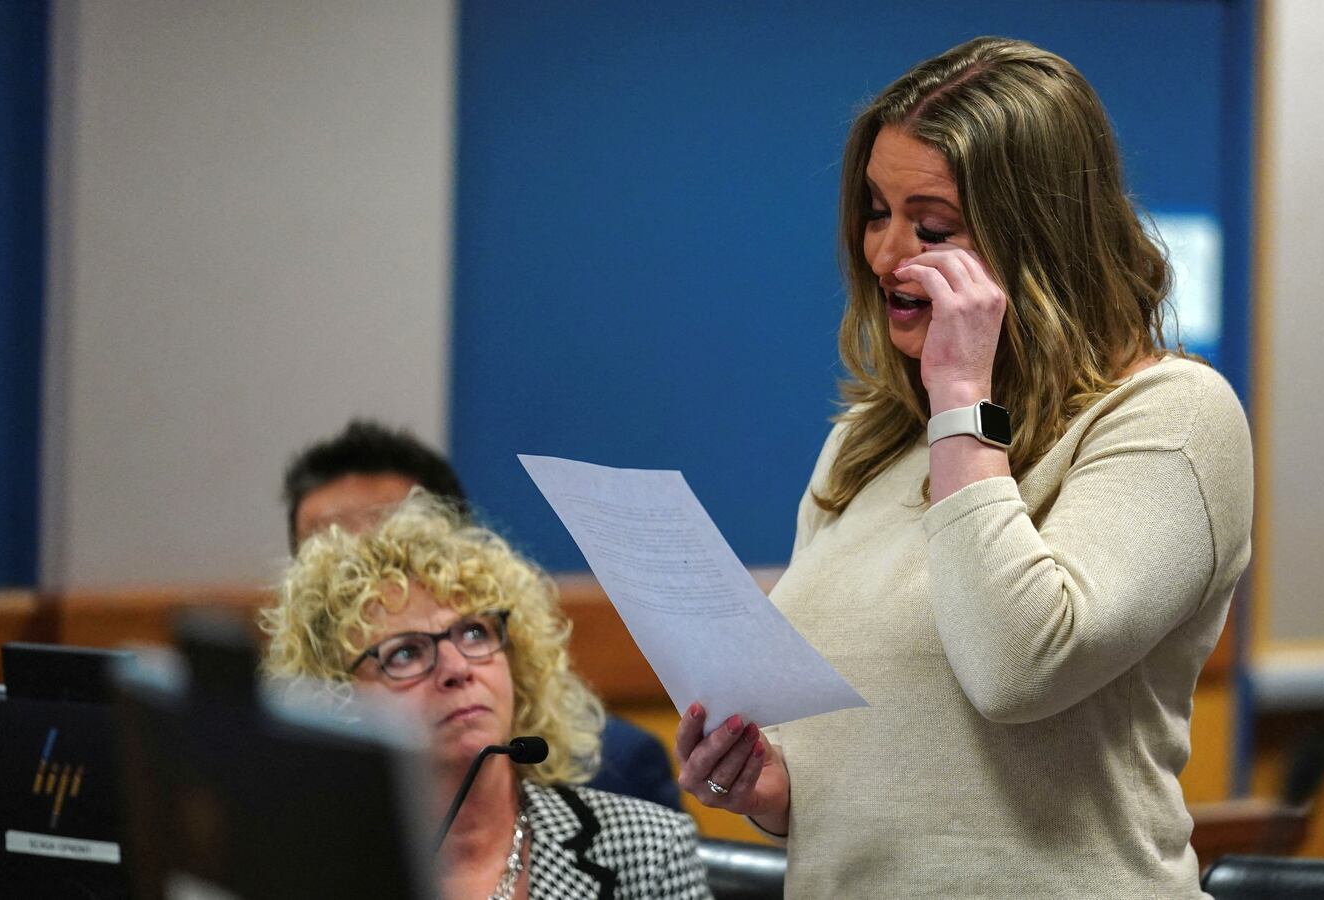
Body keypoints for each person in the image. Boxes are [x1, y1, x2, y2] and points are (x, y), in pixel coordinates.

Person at [673, 37, 1253, 897]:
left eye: (931, 225)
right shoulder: (868, 440)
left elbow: (1021, 670)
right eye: (876, 212)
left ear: (1037, 240)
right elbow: (913, 765)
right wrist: (779, 791)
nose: (884, 255)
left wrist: (960, 395)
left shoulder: (1173, 415)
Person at [260, 493, 711, 899]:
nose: (457, 669)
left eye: (475, 632)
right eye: (405, 654)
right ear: (335, 698)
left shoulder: (647, 850)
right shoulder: (297, 868)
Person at [282, 419, 684, 812]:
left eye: (399, 531)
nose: (368, 570)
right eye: (328, 550)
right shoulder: (295, 800)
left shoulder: (618, 777)